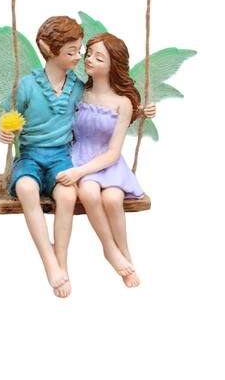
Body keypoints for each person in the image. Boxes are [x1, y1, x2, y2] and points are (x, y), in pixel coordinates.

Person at [56, 32, 156, 288]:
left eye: (98, 58)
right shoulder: (81, 93)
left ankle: (125, 253)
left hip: (108, 162)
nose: (89, 60)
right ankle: (109, 249)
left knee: (112, 199)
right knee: (89, 192)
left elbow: (113, 152)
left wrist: (141, 111)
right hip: (79, 156)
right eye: (89, 54)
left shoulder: (123, 102)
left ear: (114, 65)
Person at [0, 16, 84, 298]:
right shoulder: (27, 85)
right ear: (48, 49)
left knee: (68, 195)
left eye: (79, 50)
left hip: (61, 156)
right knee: (26, 187)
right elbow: (8, 116)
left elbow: (103, 107)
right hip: (31, 156)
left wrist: (138, 111)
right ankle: (49, 262)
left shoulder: (78, 87)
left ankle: (62, 261)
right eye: (71, 51)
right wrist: (4, 131)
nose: (78, 56)